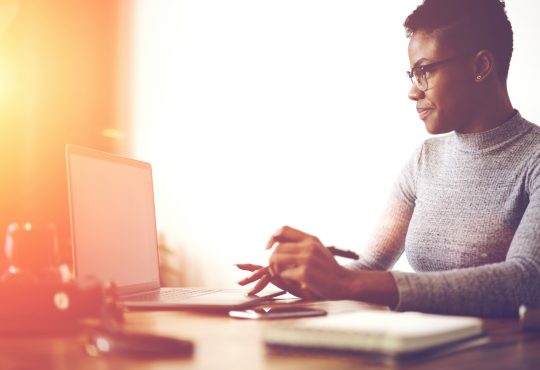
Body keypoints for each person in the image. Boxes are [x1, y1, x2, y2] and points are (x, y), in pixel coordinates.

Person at [237, 0, 540, 317]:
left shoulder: (534, 158)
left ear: (480, 66)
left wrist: (346, 282)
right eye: (412, 73)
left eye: (424, 71)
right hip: (423, 350)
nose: (412, 92)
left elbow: (525, 280)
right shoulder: (425, 160)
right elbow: (368, 267)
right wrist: (314, 279)